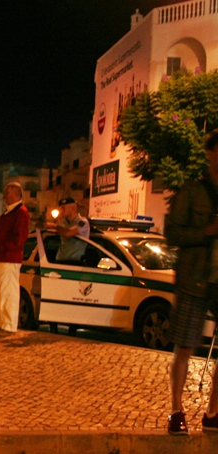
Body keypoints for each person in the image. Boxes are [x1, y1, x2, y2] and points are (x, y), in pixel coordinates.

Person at [165, 129, 218, 435]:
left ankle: (213, 412)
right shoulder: (191, 191)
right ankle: (176, 411)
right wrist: (206, 232)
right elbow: (172, 234)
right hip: (194, 280)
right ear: (210, 155)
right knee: (184, 347)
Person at [0, 182, 29, 333]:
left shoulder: (20, 212)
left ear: (15, 194)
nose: (4, 196)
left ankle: (9, 325)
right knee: (0, 292)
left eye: (7, 193)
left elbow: (19, 237)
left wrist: (3, 248)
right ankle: (2, 322)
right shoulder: (10, 212)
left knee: (8, 292)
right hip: (2, 257)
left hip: (9, 258)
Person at [46, 197, 90, 263]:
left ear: (72, 208)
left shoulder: (82, 222)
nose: (61, 210)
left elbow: (68, 233)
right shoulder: (61, 222)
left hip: (75, 262)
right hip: (60, 260)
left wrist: (53, 226)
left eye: (63, 208)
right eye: (60, 208)